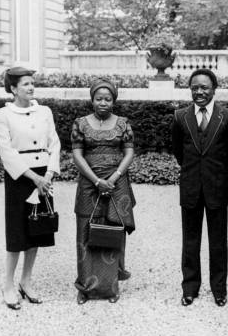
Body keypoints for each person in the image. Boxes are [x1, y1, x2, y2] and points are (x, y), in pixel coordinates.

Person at [0, 67, 61, 310]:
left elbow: (54, 142)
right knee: (17, 232)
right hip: (20, 177)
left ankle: (26, 281)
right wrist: (34, 178)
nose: (31, 88)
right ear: (13, 89)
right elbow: (7, 152)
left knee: (37, 228)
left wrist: (49, 174)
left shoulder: (44, 111)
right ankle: (8, 285)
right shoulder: (2, 115)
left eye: (32, 83)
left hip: (44, 175)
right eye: (25, 84)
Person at [171, 69, 228, 307]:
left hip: (217, 187)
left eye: (204, 87)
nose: (199, 92)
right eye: (194, 88)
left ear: (214, 89)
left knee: (218, 242)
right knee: (190, 241)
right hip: (190, 187)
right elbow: (178, 152)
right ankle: (190, 288)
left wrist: (216, 173)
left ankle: (219, 290)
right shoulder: (180, 117)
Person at [71, 79, 136, 304]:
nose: (103, 103)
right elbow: (77, 155)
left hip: (117, 185)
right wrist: (97, 180)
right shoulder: (80, 124)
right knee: (85, 234)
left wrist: (114, 177)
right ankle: (86, 287)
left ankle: (110, 286)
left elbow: (129, 153)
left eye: (108, 99)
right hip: (90, 184)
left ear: (114, 101)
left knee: (112, 232)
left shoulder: (123, 124)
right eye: (99, 99)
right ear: (92, 99)